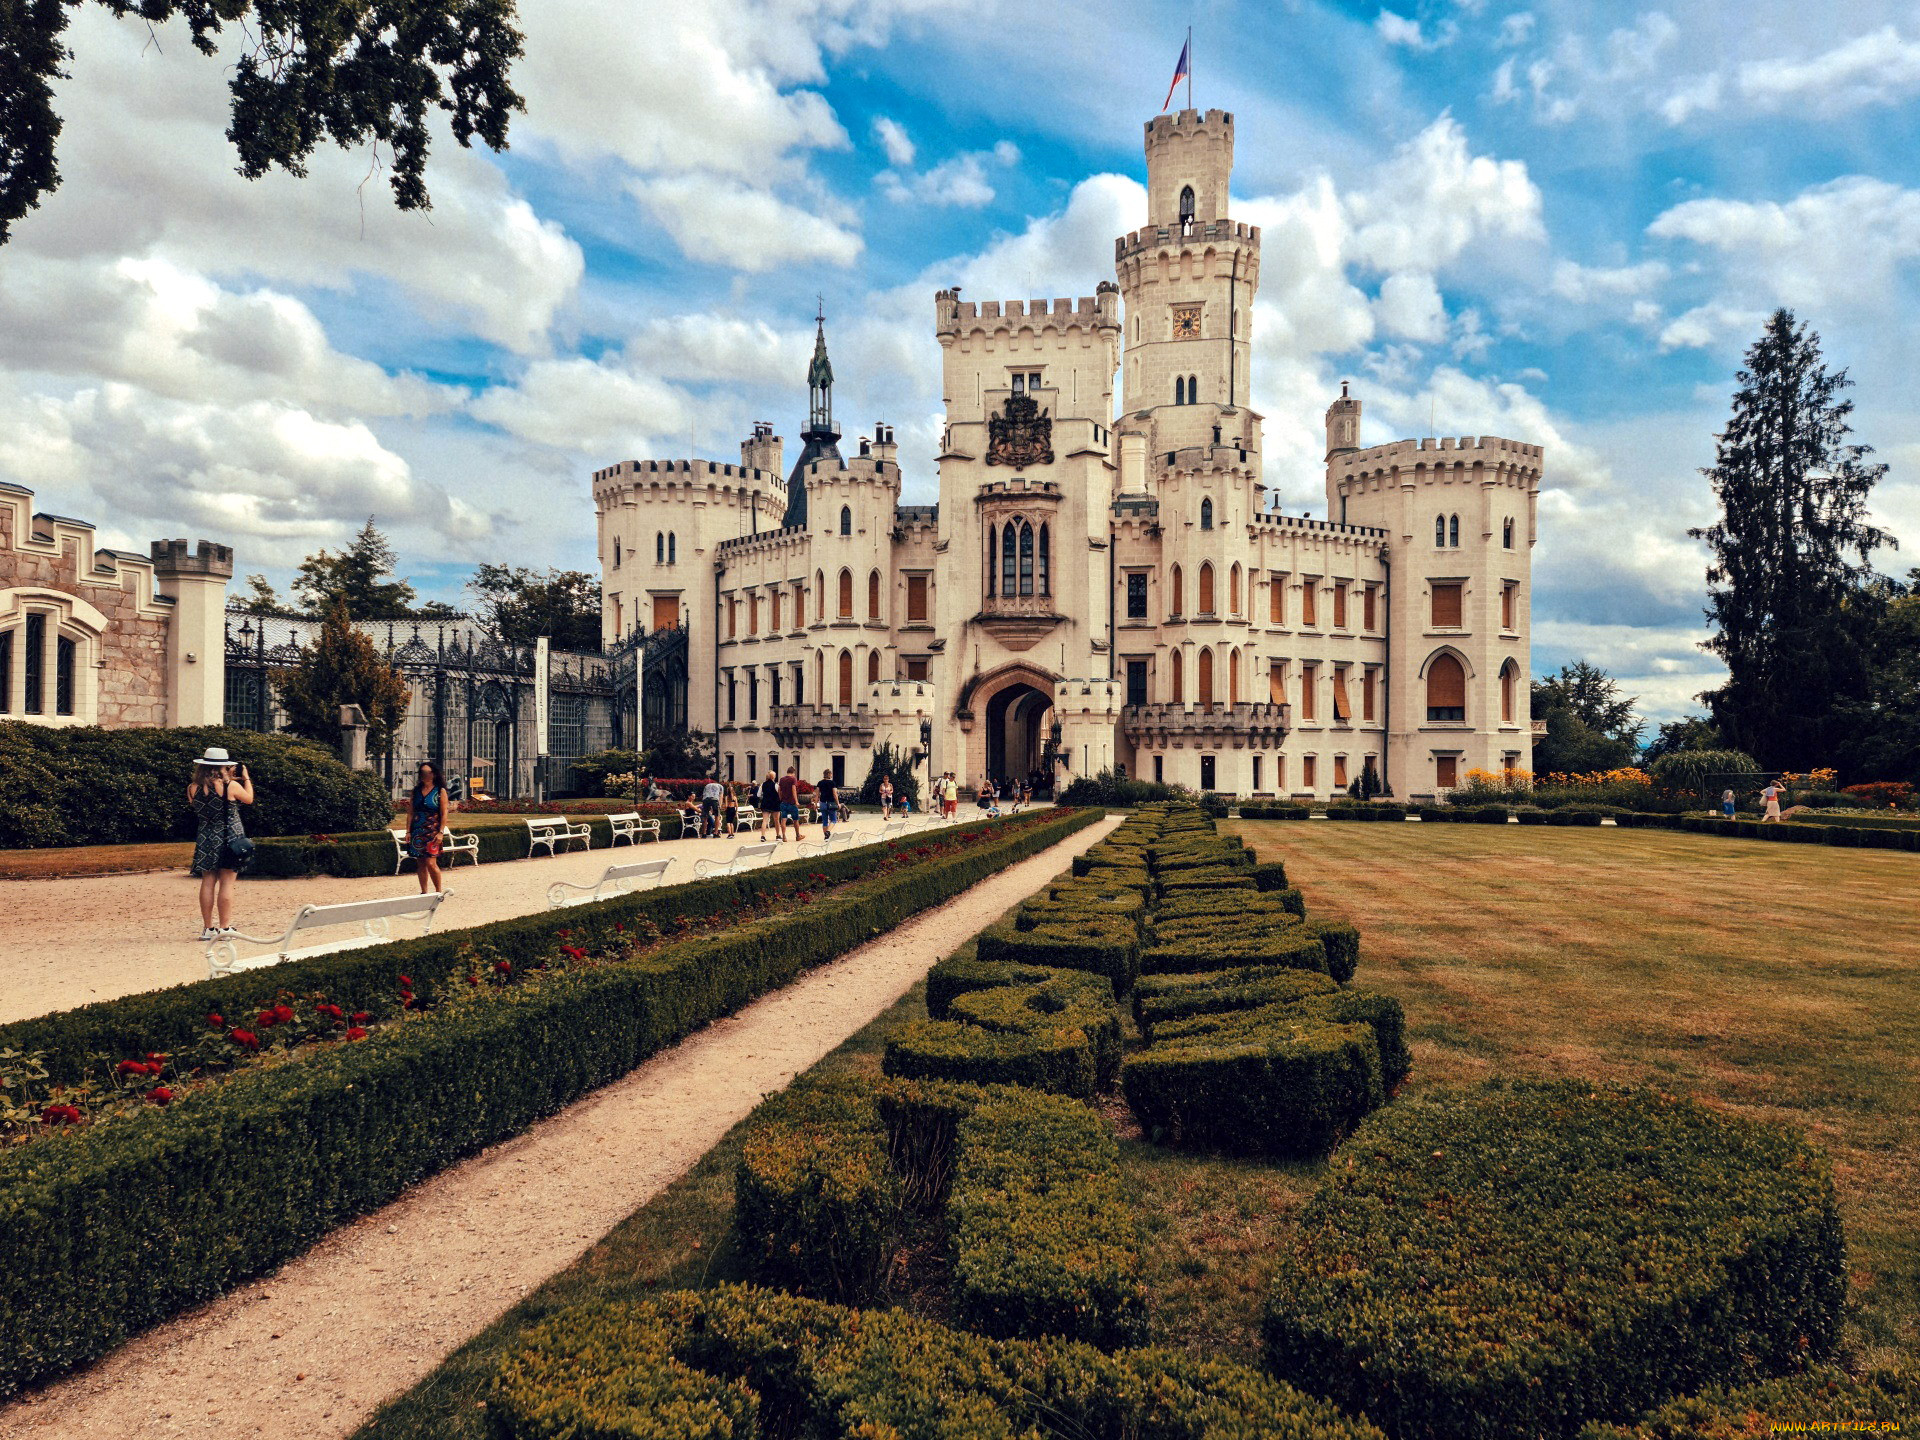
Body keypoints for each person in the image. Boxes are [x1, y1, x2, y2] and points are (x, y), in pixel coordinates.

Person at [187, 746, 254, 940]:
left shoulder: (192, 788)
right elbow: (249, 799)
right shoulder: (230, 786)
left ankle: (208, 929)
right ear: (223, 767)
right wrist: (246, 778)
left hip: (206, 837)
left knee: (208, 881)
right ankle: (224, 928)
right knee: (227, 883)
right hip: (229, 837)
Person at [404, 761, 457, 894]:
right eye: (421, 772)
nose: (423, 775)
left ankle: (438, 891)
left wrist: (440, 832)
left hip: (432, 829)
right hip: (417, 829)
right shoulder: (416, 791)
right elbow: (410, 812)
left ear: (433, 774)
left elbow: (444, 813)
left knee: (431, 863)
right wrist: (408, 831)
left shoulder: (440, 791)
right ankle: (424, 892)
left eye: (426, 772)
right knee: (420, 863)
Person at [778, 764, 808, 841]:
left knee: (783, 820)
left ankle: (784, 836)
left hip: (783, 802)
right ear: (793, 773)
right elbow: (793, 789)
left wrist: (780, 798)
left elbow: (779, 790)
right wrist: (796, 801)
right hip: (791, 803)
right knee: (795, 820)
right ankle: (798, 836)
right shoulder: (793, 779)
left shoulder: (782, 779)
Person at [759, 769, 784, 841]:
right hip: (775, 803)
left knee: (765, 820)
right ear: (773, 777)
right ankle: (778, 835)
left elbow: (758, 795)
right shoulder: (776, 785)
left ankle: (763, 836)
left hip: (765, 803)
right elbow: (780, 795)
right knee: (776, 820)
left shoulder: (762, 784)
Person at [817, 769, 840, 839]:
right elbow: (834, 793)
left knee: (824, 821)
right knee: (833, 820)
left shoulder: (820, 783)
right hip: (831, 803)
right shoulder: (832, 783)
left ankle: (826, 837)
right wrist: (838, 803)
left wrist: (815, 803)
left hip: (823, 803)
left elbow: (817, 794)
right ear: (829, 774)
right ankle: (828, 832)